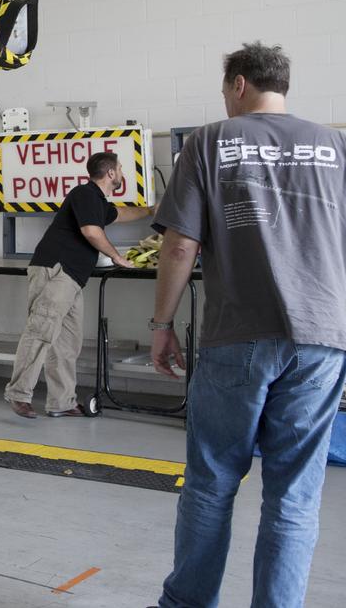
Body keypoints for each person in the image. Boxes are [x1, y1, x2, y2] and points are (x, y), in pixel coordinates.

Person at [150, 42, 346, 608]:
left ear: (238, 85)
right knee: (295, 497)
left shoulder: (212, 141)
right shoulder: (336, 147)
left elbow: (181, 244)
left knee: (211, 484)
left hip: (238, 335)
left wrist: (162, 323)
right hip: (322, 338)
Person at [4, 151, 154, 419]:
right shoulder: (84, 194)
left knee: (67, 344)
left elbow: (121, 213)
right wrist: (117, 257)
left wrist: (153, 211)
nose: (122, 173)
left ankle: (61, 403)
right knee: (41, 331)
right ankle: (18, 395)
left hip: (72, 277)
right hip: (56, 270)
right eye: (120, 168)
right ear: (110, 173)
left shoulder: (97, 201)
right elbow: (91, 231)